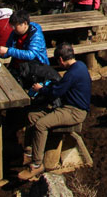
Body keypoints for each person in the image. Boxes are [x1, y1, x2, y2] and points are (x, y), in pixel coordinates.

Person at [17, 42, 92, 181]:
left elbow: (56, 92)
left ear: (61, 60)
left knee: (41, 125)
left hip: (75, 111)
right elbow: (60, 86)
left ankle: (36, 164)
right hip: (68, 106)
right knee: (32, 116)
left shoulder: (73, 73)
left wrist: (41, 89)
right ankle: (29, 153)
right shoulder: (79, 66)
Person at [0, 10, 57, 92]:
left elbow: (31, 54)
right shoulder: (14, 33)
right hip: (18, 67)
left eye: (16, 26)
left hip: (35, 69)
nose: (13, 29)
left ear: (25, 24)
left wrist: (8, 51)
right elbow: (8, 50)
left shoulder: (36, 35)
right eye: (12, 26)